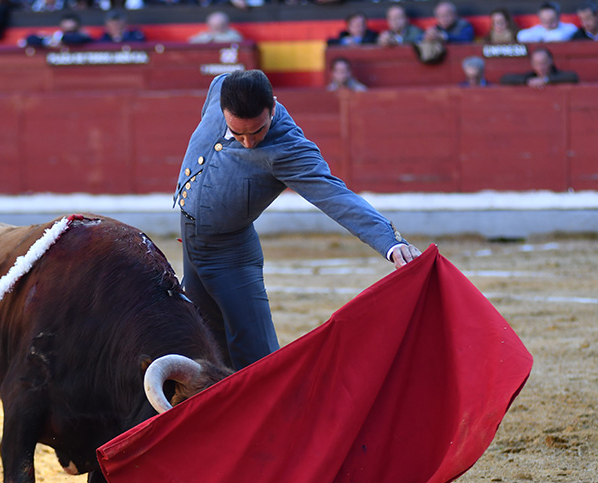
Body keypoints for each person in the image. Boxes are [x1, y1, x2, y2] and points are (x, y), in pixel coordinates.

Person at [174, 70, 420, 370]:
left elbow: (335, 196)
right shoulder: (220, 88)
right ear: (223, 110)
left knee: (257, 356)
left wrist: (390, 243)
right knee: (199, 345)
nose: (248, 143)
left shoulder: (287, 148)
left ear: (273, 108)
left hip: (230, 257)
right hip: (191, 245)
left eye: (257, 131)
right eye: (238, 134)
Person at [499, 46, 579, 87]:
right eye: (537, 64)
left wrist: (545, 80)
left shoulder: (558, 75)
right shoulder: (530, 76)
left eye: (543, 63)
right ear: (532, 65)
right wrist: (527, 81)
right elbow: (504, 79)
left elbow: (573, 77)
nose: (540, 67)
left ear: (550, 61)